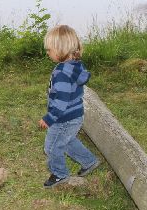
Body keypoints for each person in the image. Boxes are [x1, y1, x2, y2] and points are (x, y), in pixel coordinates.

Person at [39, 25, 101, 189]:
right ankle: (89, 161)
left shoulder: (61, 73)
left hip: (63, 118)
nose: (48, 53)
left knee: (51, 146)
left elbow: (61, 101)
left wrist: (49, 118)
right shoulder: (75, 66)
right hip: (75, 115)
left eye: (49, 49)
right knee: (66, 141)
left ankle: (60, 174)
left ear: (60, 49)